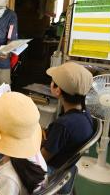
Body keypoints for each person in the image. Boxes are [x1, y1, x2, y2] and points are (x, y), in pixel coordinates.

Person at [41, 62, 94, 193]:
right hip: (66, 165)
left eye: (53, 81)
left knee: (10, 159)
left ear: (57, 90)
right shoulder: (86, 115)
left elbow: (42, 159)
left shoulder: (63, 125)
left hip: (52, 170)